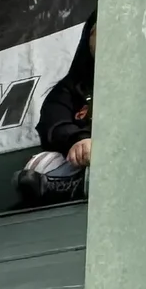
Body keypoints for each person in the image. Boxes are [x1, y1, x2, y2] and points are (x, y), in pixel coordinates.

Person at [19, 16, 96, 208]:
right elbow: (52, 123)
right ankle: (75, 188)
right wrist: (78, 140)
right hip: (82, 160)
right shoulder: (71, 86)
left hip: (127, 156)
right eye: (96, 32)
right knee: (39, 166)